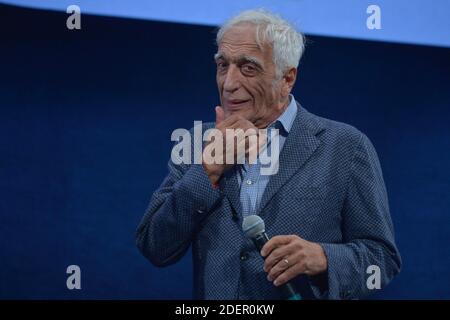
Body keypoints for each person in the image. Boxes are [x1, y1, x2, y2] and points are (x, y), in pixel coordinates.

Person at [136, 9, 401, 300]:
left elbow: (381, 259)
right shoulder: (198, 143)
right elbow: (155, 247)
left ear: (287, 78)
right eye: (223, 65)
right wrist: (207, 171)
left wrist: (323, 257)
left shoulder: (345, 146)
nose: (228, 83)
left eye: (248, 68)